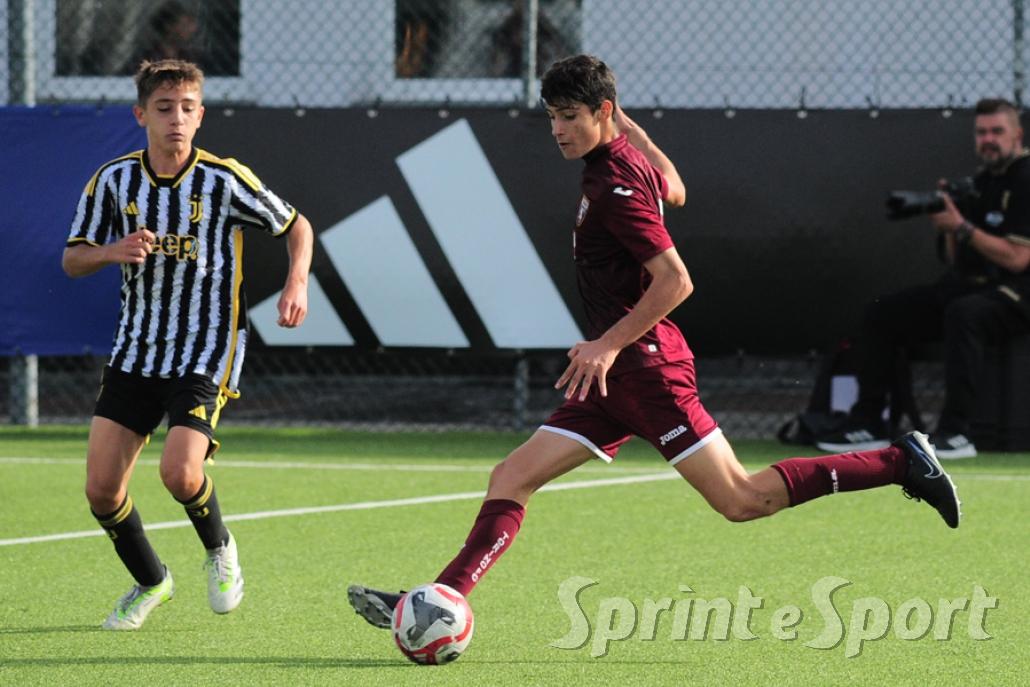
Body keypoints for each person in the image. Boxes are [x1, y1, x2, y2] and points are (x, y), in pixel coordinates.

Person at [346, 54, 961, 631]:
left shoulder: (614, 187)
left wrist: (607, 344)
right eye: (552, 116)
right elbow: (675, 184)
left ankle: (900, 461)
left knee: (743, 500)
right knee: (512, 476)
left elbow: (676, 281)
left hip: (644, 370)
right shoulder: (623, 160)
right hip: (610, 378)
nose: (558, 130)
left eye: (571, 116)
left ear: (602, 112)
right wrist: (626, 125)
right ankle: (443, 598)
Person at [62, 59, 314, 630]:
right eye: (164, 108)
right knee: (101, 491)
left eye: (187, 108)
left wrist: (296, 282)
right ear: (141, 115)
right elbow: (72, 259)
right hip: (136, 350)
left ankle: (219, 548)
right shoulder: (113, 181)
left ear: (200, 116)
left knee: (179, 473)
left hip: (206, 348)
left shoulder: (223, 179)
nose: (176, 118)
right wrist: (112, 251)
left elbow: (296, 225)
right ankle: (151, 581)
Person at [817, 98, 1030, 459]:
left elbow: (1018, 258)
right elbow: (954, 258)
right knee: (882, 313)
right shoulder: (980, 182)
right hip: (972, 286)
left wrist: (961, 226)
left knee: (964, 313)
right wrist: (947, 222)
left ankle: (956, 432)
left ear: (1017, 135)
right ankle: (869, 424)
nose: (989, 140)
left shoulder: (1025, 178)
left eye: (997, 131)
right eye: (981, 133)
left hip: (1018, 292)